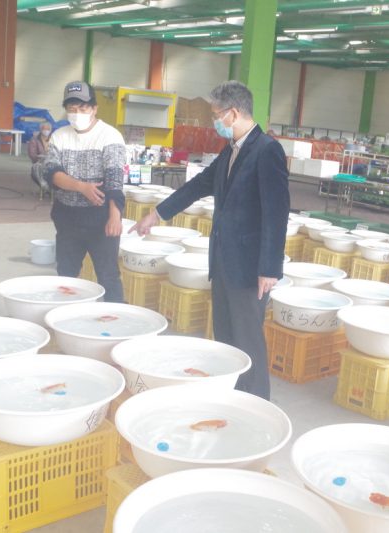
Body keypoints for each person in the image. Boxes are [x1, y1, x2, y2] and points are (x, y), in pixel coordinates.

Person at [132, 81, 290, 400]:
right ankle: (231, 394)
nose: (214, 121)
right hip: (223, 262)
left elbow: (277, 213)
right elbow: (199, 185)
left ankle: (256, 400)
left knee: (247, 339)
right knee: (226, 336)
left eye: (217, 115)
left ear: (234, 113)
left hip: (249, 268)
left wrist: (269, 269)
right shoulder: (231, 150)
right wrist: (156, 214)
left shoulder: (267, 150)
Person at [43, 81, 126, 303]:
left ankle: (115, 314)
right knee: (66, 274)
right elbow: (51, 173)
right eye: (71, 109)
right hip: (67, 217)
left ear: (94, 108)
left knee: (108, 275)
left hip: (101, 219)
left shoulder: (110, 136)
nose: (77, 114)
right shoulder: (59, 136)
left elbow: (115, 180)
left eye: (82, 108)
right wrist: (82, 187)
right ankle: (65, 314)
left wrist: (115, 216)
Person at [28, 121, 52, 194]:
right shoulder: (34, 139)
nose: (46, 131)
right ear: (41, 130)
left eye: (48, 129)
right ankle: (45, 188)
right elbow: (32, 154)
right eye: (45, 129)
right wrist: (41, 158)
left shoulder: (54, 138)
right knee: (36, 172)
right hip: (40, 163)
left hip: (52, 163)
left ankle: (51, 189)